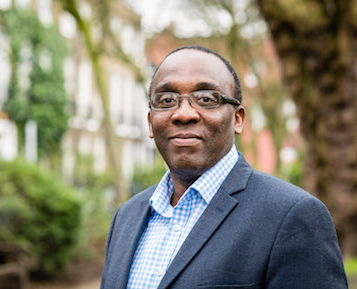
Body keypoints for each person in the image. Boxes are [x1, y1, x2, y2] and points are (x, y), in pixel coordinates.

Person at [100, 45, 348, 289]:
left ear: (238, 119)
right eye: (166, 100)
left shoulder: (293, 217)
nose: (183, 113)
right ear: (150, 123)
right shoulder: (126, 218)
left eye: (206, 99)